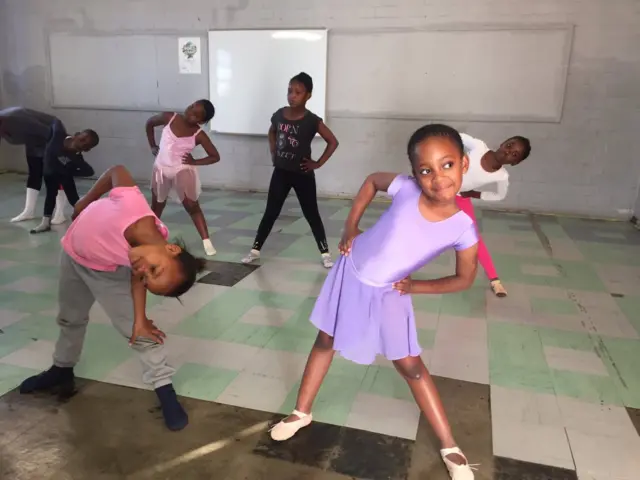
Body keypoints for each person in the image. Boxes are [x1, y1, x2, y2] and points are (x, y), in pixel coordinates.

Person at [269, 124, 480, 480]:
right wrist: (351, 226)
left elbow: (465, 279)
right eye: (426, 170)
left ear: (464, 164)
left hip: (389, 293)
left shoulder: (462, 228)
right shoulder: (405, 188)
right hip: (350, 273)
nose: (438, 177)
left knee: (411, 366)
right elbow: (371, 181)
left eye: (447, 165)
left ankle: (449, 445)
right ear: (415, 173)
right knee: (326, 340)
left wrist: (415, 288)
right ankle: (301, 411)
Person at [19, 165, 206, 431]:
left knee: (138, 332)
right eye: (154, 269)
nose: (143, 271)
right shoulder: (134, 210)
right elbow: (117, 171)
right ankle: (62, 369)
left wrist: (140, 320)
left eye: (148, 278)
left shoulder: (141, 262)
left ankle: (165, 390)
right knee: (70, 317)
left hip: (105, 273)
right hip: (72, 257)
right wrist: (85, 200)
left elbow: (136, 277)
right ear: (171, 248)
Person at [241, 72, 339, 268]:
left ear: (308, 95)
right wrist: (273, 151)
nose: (292, 95)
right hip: (281, 173)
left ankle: (325, 253)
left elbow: (333, 142)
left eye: (298, 92)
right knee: (271, 212)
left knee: (312, 213)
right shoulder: (279, 114)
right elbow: (272, 131)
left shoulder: (312, 120)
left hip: (303, 174)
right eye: (290, 91)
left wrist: (317, 163)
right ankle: (255, 250)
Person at [457, 133, 531, 297]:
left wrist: (474, 194)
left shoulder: (502, 176)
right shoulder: (478, 146)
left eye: (514, 154)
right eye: (510, 146)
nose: (508, 152)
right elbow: (454, 135)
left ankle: (495, 280)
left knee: (475, 240)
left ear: (515, 162)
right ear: (504, 142)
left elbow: (499, 196)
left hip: (459, 199)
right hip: (438, 191)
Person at [146, 99, 220, 256]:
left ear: (200, 121)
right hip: (160, 169)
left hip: (182, 170)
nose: (189, 112)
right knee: (157, 205)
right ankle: (148, 237)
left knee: (192, 206)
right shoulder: (169, 117)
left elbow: (215, 156)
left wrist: (195, 161)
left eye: (195, 114)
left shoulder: (199, 135)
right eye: (191, 106)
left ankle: (206, 241)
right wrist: (152, 145)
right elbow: (150, 123)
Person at [0, 107, 96, 225]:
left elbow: (49, 132)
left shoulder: (15, 118)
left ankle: (59, 213)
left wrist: (54, 157)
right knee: (34, 172)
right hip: (34, 141)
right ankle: (29, 211)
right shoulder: (3, 123)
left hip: (52, 137)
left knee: (57, 173)